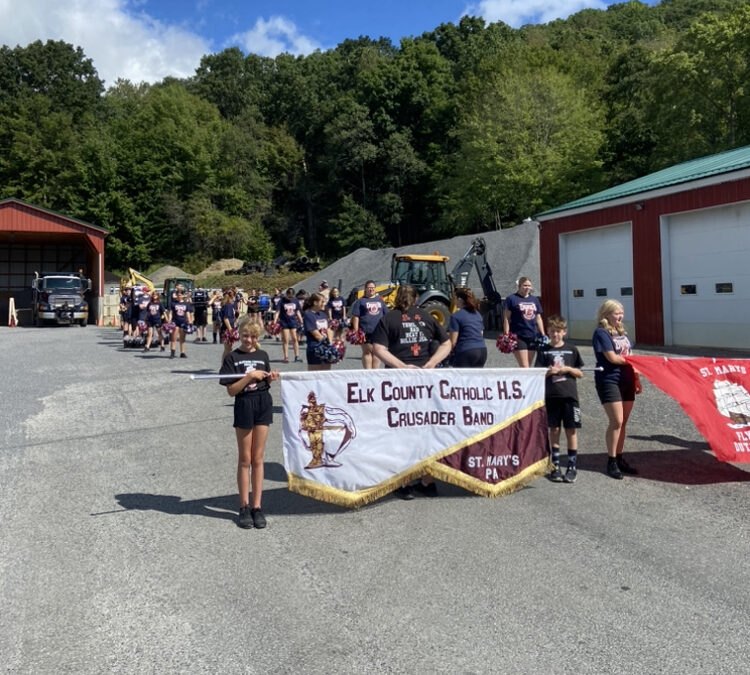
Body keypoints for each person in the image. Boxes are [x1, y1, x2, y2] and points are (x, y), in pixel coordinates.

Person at [371, 284, 451, 499]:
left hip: (399, 383)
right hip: (424, 382)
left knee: (401, 431)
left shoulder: (389, 319)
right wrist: (432, 363)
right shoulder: (426, 317)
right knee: (425, 429)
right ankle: (428, 480)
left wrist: (401, 367)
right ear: (416, 299)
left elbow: (379, 349)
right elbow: (447, 343)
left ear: (397, 298)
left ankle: (404, 482)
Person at [219, 316, 280, 529]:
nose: (248, 340)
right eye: (245, 335)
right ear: (239, 334)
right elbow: (231, 391)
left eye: (253, 336)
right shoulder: (232, 357)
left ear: (257, 337)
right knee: (245, 458)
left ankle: (257, 506)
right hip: (244, 404)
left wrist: (269, 378)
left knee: (258, 458)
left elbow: (265, 382)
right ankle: (243, 506)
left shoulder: (263, 355)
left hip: (263, 403)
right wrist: (248, 377)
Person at [592, 299, 642, 479]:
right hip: (609, 380)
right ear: (606, 314)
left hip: (627, 380)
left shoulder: (622, 332)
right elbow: (612, 357)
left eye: (621, 312)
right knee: (617, 421)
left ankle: (620, 458)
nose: (620, 316)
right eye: (616, 313)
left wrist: (637, 376)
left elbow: (631, 354)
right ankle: (611, 461)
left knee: (624, 423)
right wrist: (636, 363)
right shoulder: (601, 333)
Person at [534, 315, 584, 483]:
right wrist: (549, 372)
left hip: (570, 396)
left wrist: (568, 369)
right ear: (548, 332)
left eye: (558, 332)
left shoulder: (572, 349)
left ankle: (572, 465)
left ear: (564, 332)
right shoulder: (544, 350)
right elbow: (537, 374)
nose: (555, 335)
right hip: (551, 396)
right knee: (554, 429)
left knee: (571, 430)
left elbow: (580, 373)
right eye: (552, 332)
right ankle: (555, 464)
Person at [503, 276, 545, 367]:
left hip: (532, 335)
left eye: (529, 286)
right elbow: (507, 318)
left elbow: (538, 318)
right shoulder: (511, 299)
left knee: (528, 366)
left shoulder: (534, 300)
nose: (527, 288)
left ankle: (525, 381)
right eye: (525, 285)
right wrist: (506, 334)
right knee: (524, 366)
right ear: (519, 286)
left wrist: (543, 333)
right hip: (518, 336)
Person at [350, 281, 388, 369]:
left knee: (377, 352)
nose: (371, 289)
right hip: (365, 330)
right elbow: (356, 316)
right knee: (367, 352)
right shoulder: (360, 302)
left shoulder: (380, 301)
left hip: (379, 331)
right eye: (369, 287)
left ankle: (375, 373)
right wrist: (356, 331)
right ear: (365, 289)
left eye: (373, 287)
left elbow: (386, 315)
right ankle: (368, 372)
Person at [448, 287, 487, 367]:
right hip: (482, 350)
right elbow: (481, 333)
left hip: (466, 350)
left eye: (455, 298)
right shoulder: (477, 314)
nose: (454, 301)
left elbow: (453, 342)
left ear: (460, 300)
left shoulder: (456, 316)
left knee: (461, 379)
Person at [303, 292, 332, 371]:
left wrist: (331, 343)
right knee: (314, 375)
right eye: (322, 302)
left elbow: (328, 329)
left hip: (326, 347)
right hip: (314, 348)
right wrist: (325, 343)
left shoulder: (323, 314)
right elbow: (315, 333)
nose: (324, 304)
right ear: (315, 303)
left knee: (326, 374)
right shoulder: (308, 315)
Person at [274, 287, 303, 363]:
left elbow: (297, 312)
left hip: (293, 322)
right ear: (286, 294)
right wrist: (275, 321)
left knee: (295, 339)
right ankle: (286, 357)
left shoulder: (295, 301)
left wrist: (301, 321)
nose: (290, 298)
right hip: (284, 322)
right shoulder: (281, 301)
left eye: (291, 296)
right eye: (289, 296)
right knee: (286, 340)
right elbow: (278, 312)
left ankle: (297, 356)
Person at [167, 289, 194, 359]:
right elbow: (170, 313)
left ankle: (182, 352)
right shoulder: (173, 303)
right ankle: (172, 352)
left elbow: (188, 313)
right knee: (174, 338)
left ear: (183, 295)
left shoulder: (186, 304)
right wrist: (169, 321)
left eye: (180, 295)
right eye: (178, 295)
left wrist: (190, 321)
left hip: (183, 322)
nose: (179, 296)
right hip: (175, 321)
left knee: (182, 338)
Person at [220, 289, 238, 360]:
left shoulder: (229, 305)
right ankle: (224, 366)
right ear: (232, 297)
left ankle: (226, 365)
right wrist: (230, 330)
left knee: (229, 348)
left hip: (229, 328)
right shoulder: (228, 306)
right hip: (227, 329)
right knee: (227, 349)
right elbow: (226, 318)